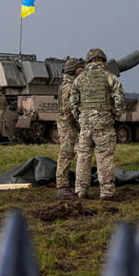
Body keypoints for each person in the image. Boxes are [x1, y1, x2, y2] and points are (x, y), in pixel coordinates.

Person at [69, 48, 125, 200]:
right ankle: (106, 191)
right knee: (104, 156)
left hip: (85, 124)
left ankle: (81, 190)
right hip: (103, 122)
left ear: (88, 61)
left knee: (83, 156)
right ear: (103, 60)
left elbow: (72, 102)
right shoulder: (109, 77)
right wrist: (114, 116)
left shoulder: (79, 79)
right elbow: (119, 100)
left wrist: (80, 118)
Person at [55, 57, 85, 198]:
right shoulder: (69, 87)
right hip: (68, 126)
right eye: (80, 69)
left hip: (69, 125)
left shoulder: (72, 85)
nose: (83, 71)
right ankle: (62, 186)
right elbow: (69, 112)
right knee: (66, 154)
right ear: (73, 70)